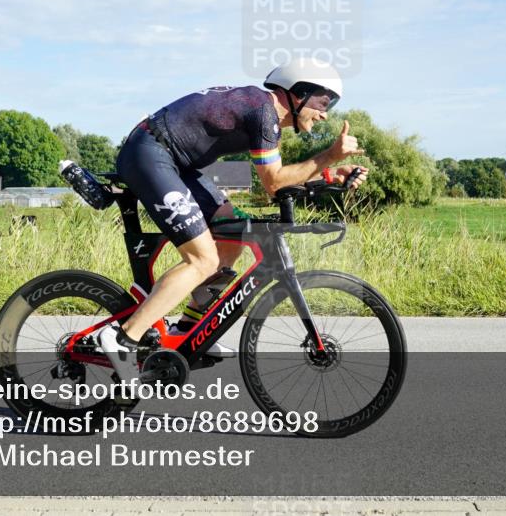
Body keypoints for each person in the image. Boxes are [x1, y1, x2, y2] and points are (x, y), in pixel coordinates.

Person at [97, 58, 368, 381]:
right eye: (325, 101)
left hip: (174, 162)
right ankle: (123, 337)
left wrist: (329, 174)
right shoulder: (263, 111)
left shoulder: (264, 115)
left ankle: (186, 329)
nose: (326, 112)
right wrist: (328, 156)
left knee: (231, 238)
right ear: (299, 93)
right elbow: (275, 182)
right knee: (202, 259)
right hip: (150, 153)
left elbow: (277, 182)